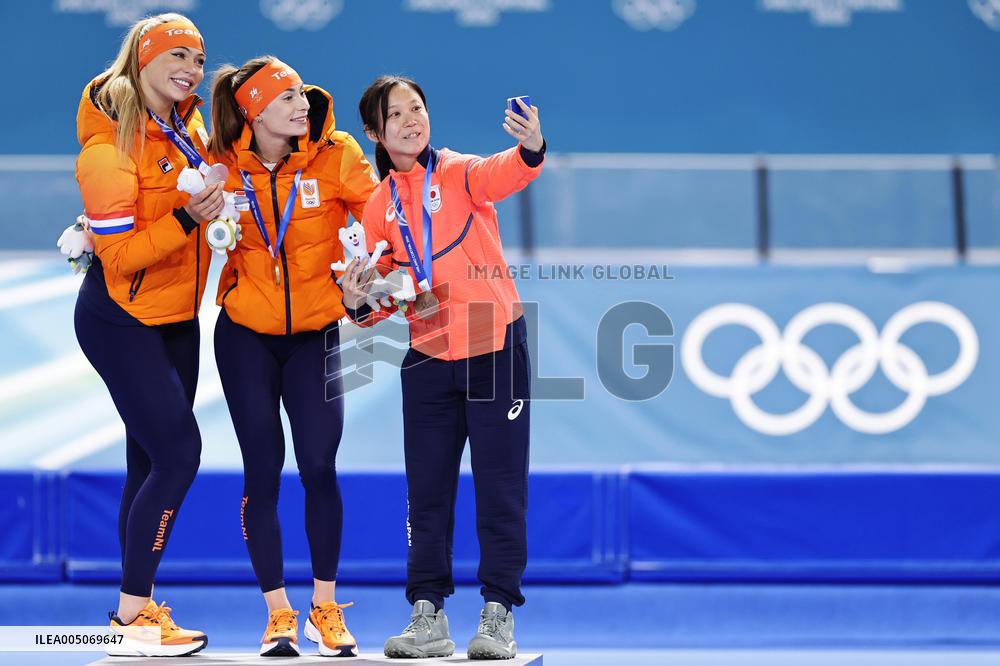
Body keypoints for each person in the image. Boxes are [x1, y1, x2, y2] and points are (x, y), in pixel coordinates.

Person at [340, 75, 545, 660]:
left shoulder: (458, 172)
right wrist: (357, 299)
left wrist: (530, 146)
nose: (412, 120)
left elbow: (506, 171)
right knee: (425, 493)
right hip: (428, 354)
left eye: (418, 108)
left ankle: (498, 613)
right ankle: (428, 615)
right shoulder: (378, 208)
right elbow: (375, 304)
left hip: (495, 346)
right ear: (375, 133)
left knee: (500, 487)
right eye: (396, 114)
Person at [208, 56, 378, 657]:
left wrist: (375, 277)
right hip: (244, 336)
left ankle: (324, 608)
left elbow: (379, 217)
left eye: (301, 96)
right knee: (263, 469)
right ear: (253, 111)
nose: (301, 105)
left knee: (318, 467)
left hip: (314, 335)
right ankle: (278, 613)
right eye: (285, 99)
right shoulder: (221, 164)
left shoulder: (337, 155)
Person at [72, 13, 220, 657]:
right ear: (144, 59)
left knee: (149, 460)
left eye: (199, 57)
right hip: (121, 319)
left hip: (177, 319)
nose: (192, 68)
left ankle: (139, 608)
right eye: (178, 56)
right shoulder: (107, 147)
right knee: (179, 456)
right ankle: (131, 617)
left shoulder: (185, 124)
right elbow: (120, 259)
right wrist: (189, 218)